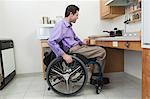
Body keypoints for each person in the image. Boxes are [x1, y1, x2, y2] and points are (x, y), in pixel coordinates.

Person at [48, 4, 106, 72]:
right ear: (71, 14)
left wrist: (82, 43)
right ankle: (96, 77)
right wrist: (64, 55)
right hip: (75, 50)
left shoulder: (68, 26)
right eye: (77, 15)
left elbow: (75, 38)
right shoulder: (61, 25)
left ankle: (95, 74)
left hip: (78, 48)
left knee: (98, 48)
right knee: (101, 51)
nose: (77, 17)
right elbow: (51, 41)